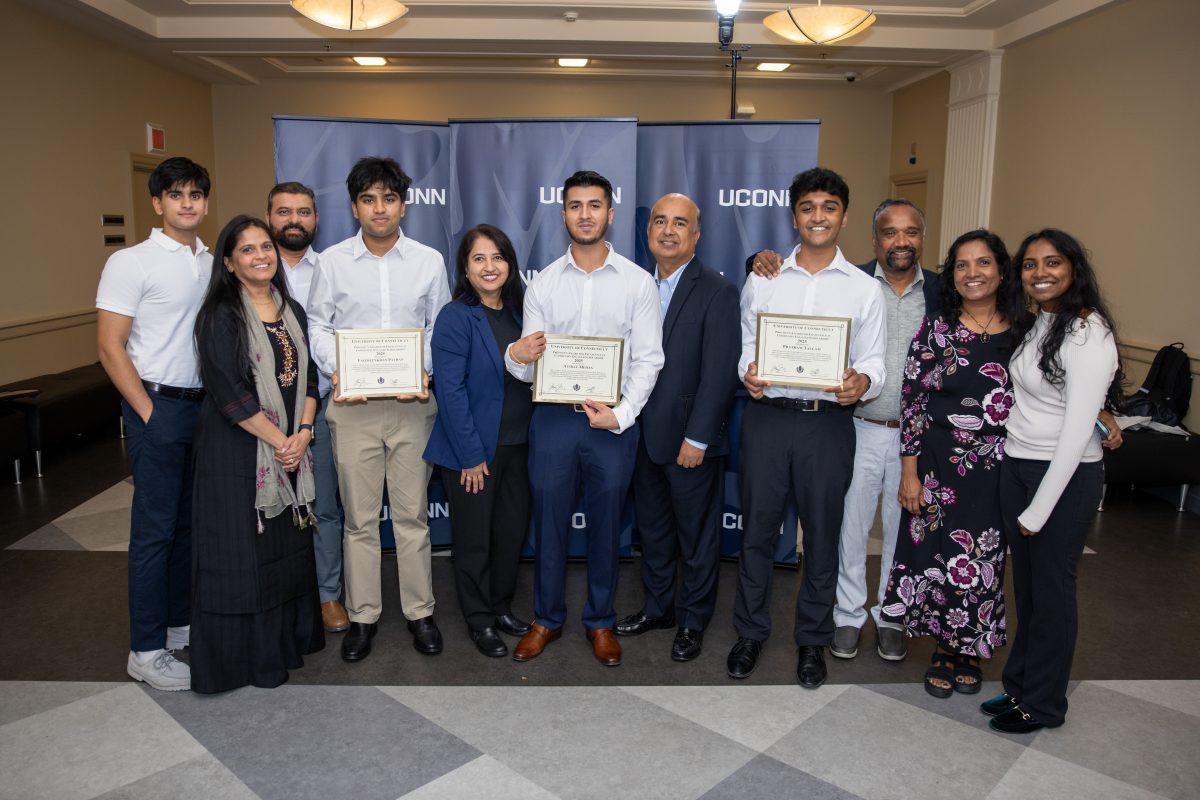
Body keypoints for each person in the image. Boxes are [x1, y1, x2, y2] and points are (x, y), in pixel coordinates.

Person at [749, 198, 941, 663]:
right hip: (857, 425)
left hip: (919, 435)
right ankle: (849, 615)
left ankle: (892, 615)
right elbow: (766, 316)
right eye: (891, 233)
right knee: (848, 531)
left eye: (911, 232)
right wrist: (755, 260)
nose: (901, 241)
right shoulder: (848, 280)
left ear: (922, 237)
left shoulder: (942, 292)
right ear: (873, 238)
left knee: (903, 529)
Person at [733, 167, 886, 688]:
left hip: (828, 426)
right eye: (807, 207)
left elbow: (876, 363)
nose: (817, 217)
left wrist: (860, 382)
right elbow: (747, 349)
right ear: (794, 215)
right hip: (767, 420)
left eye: (828, 207)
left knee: (823, 537)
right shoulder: (763, 278)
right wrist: (748, 375)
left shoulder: (865, 290)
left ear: (843, 217)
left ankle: (812, 641)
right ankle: (750, 632)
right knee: (756, 533)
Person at [506, 170, 664, 667]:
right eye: (575, 206)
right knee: (548, 524)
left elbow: (649, 359)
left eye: (595, 205)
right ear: (564, 215)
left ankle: (599, 621)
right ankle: (547, 619)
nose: (585, 214)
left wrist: (621, 415)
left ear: (610, 213)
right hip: (553, 419)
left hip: (612, 423)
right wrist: (516, 354)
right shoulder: (543, 285)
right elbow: (522, 364)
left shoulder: (639, 283)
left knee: (607, 526)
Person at [307, 157, 452, 662]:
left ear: (403, 204)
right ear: (354, 207)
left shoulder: (429, 261)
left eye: (389, 198)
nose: (380, 208)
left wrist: (422, 370)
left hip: (414, 406)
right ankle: (364, 615)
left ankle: (420, 612)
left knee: (412, 515)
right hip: (353, 408)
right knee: (359, 520)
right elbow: (317, 327)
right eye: (369, 199)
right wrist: (338, 371)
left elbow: (440, 326)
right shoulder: (331, 262)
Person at [986, 229, 1122, 734]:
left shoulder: (1089, 333)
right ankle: (1020, 688)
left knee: (1053, 593)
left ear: (1074, 269)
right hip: (1020, 466)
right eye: (1030, 264)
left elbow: (1074, 433)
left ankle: (1044, 706)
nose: (1040, 272)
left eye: (1053, 263)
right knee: (1029, 593)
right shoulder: (1040, 322)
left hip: (1062, 478)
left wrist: (1038, 510)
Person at [878, 229, 1019, 698]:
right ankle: (943, 646)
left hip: (999, 466)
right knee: (936, 558)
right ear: (952, 275)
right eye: (961, 265)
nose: (972, 273)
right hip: (938, 467)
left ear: (1001, 270)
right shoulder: (936, 328)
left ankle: (971, 647)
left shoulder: (1025, 332)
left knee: (983, 561)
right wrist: (909, 472)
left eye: (983, 263)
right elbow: (914, 402)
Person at [190, 215, 325, 693]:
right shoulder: (220, 315)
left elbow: (309, 378)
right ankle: (248, 660)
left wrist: (304, 432)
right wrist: (280, 441)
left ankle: (285, 645)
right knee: (245, 554)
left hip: (290, 449)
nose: (261, 256)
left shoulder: (292, 310)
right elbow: (229, 394)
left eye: (265, 246)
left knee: (284, 553)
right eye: (247, 250)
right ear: (228, 261)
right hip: (238, 456)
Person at [97, 156, 212, 691]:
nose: (187, 203)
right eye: (176, 194)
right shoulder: (131, 261)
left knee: (187, 526)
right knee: (153, 532)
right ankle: (144, 649)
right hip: (157, 406)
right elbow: (110, 345)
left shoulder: (212, 261)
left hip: (204, 409)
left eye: (195, 194)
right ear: (157, 202)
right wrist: (147, 411)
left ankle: (175, 627)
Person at [614, 193, 740, 662]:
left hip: (690, 440)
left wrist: (698, 437)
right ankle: (657, 608)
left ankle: (692, 620)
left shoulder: (717, 290)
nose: (668, 231)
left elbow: (720, 371)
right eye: (659, 222)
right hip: (639, 435)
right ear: (648, 233)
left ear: (696, 235)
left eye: (680, 223)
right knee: (654, 532)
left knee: (697, 537)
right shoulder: (635, 287)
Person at [423, 224, 534, 658]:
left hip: (522, 445)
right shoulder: (456, 317)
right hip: (472, 451)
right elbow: (449, 392)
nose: (490, 267)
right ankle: (479, 619)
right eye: (479, 259)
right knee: (474, 540)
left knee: (510, 535)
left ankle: (501, 606)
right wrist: (470, 456)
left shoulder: (525, 312)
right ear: (465, 270)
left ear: (510, 264)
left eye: (498, 257)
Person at [266, 181, 348, 635]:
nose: (293, 220)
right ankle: (276, 593)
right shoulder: (251, 267)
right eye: (283, 212)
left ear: (316, 219)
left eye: (303, 212)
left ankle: (328, 595)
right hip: (261, 413)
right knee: (268, 505)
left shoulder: (333, 267)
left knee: (325, 505)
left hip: (321, 404)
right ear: (269, 217)